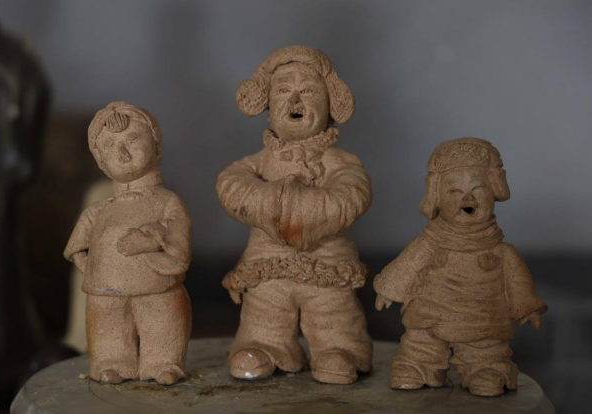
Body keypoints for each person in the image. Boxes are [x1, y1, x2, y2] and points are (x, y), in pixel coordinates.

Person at [217, 46, 372, 384]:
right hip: (267, 261)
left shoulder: (339, 161)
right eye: (284, 90)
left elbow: (353, 191)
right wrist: (269, 201)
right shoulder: (258, 162)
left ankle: (338, 350)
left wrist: (306, 207)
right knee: (264, 310)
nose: (295, 101)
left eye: (309, 91)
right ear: (267, 105)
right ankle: (264, 346)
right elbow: (231, 183)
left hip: (326, 261)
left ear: (329, 102)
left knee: (334, 311)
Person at [374, 137, 547, 396]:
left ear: (495, 191)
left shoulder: (502, 253)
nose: (467, 198)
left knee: (487, 347)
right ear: (436, 197)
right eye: (454, 191)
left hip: (482, 320)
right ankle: (417, 366)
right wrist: (389, 289)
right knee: (421, 342)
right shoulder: (428, 246)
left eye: (478, 189)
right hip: (430, 316)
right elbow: (408, 266)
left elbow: (518, 282)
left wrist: (527, 307)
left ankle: (487, 369)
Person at [64, 101, 192, 385]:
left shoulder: (167, 202)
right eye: (110, 146)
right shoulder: (99, 209)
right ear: (100, 160)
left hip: (157, 287)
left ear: (156, 146)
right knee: (107, 329)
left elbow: (178, 235)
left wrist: (151, 240)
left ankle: (164, 363)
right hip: (105, 293)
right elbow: (76, 248)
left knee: (163, 322)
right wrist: (95, 270)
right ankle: (111, 364)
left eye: (133, 139)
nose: (122, 152)